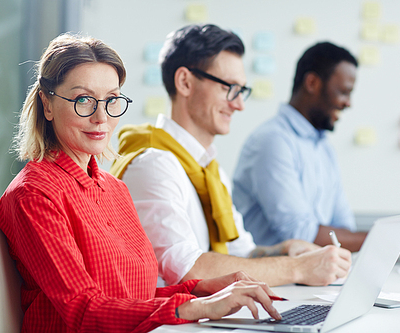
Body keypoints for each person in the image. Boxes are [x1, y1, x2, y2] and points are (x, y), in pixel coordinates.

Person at [0, 33, 282, 333]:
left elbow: (133, 301)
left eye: (111, 100)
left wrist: (203, 290)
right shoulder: (34, 194)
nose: (101, 116)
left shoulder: (113, 189)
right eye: (83, 100)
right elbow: (83, 310)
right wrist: (197, 306)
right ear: (48, 104)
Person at [110, 25, 351, 288]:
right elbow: (189, 270)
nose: (239, 104)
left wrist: (286, 249)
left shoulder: (209, 170)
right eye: (229, 88)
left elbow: (241, 252)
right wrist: (297, 269)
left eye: (241, 91)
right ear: (185, 82)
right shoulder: (154, 164)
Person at [232, 42, 400, 253]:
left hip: (313, 278)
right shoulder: (273, 141)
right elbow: (301, 234)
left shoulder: (323, 148)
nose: (348, 103)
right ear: (312, 83)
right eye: (344, 92)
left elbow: (343, 227)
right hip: (271, 280)